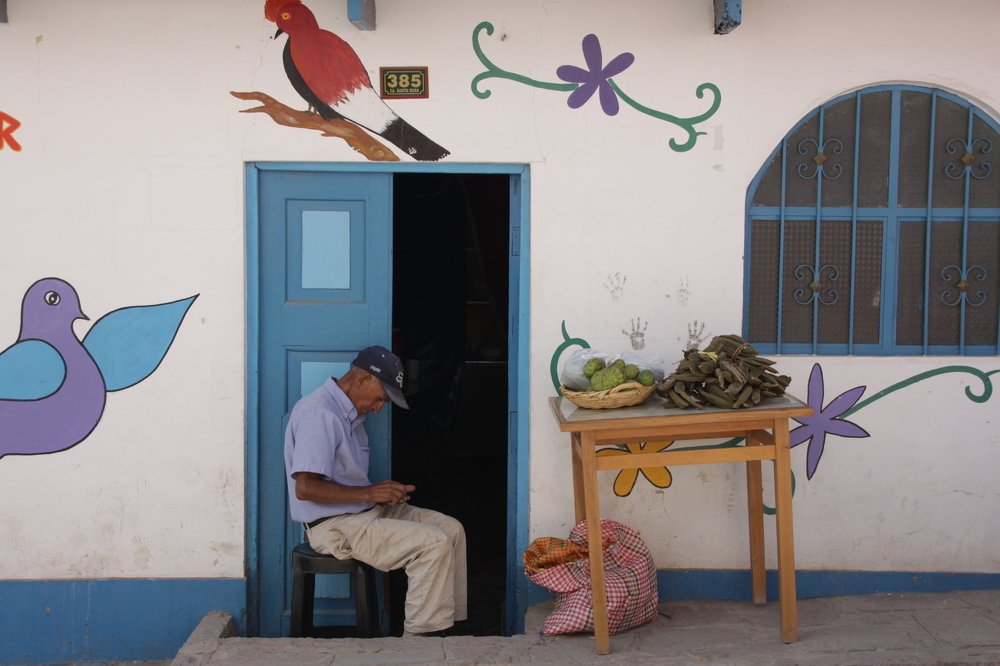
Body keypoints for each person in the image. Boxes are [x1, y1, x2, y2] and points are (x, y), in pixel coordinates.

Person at [283, 345, 468, 636]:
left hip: (363, 513)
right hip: (334, 525)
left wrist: (382, 494)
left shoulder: (351, 417)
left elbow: (352, 485)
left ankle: (443, 628)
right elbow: (306, 488)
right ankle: (421, 643)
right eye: (381, 398)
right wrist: (370, 493)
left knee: (452, 529)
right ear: (362, 380)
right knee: (433, 542)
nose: (379, 408)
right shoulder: (319, 414)